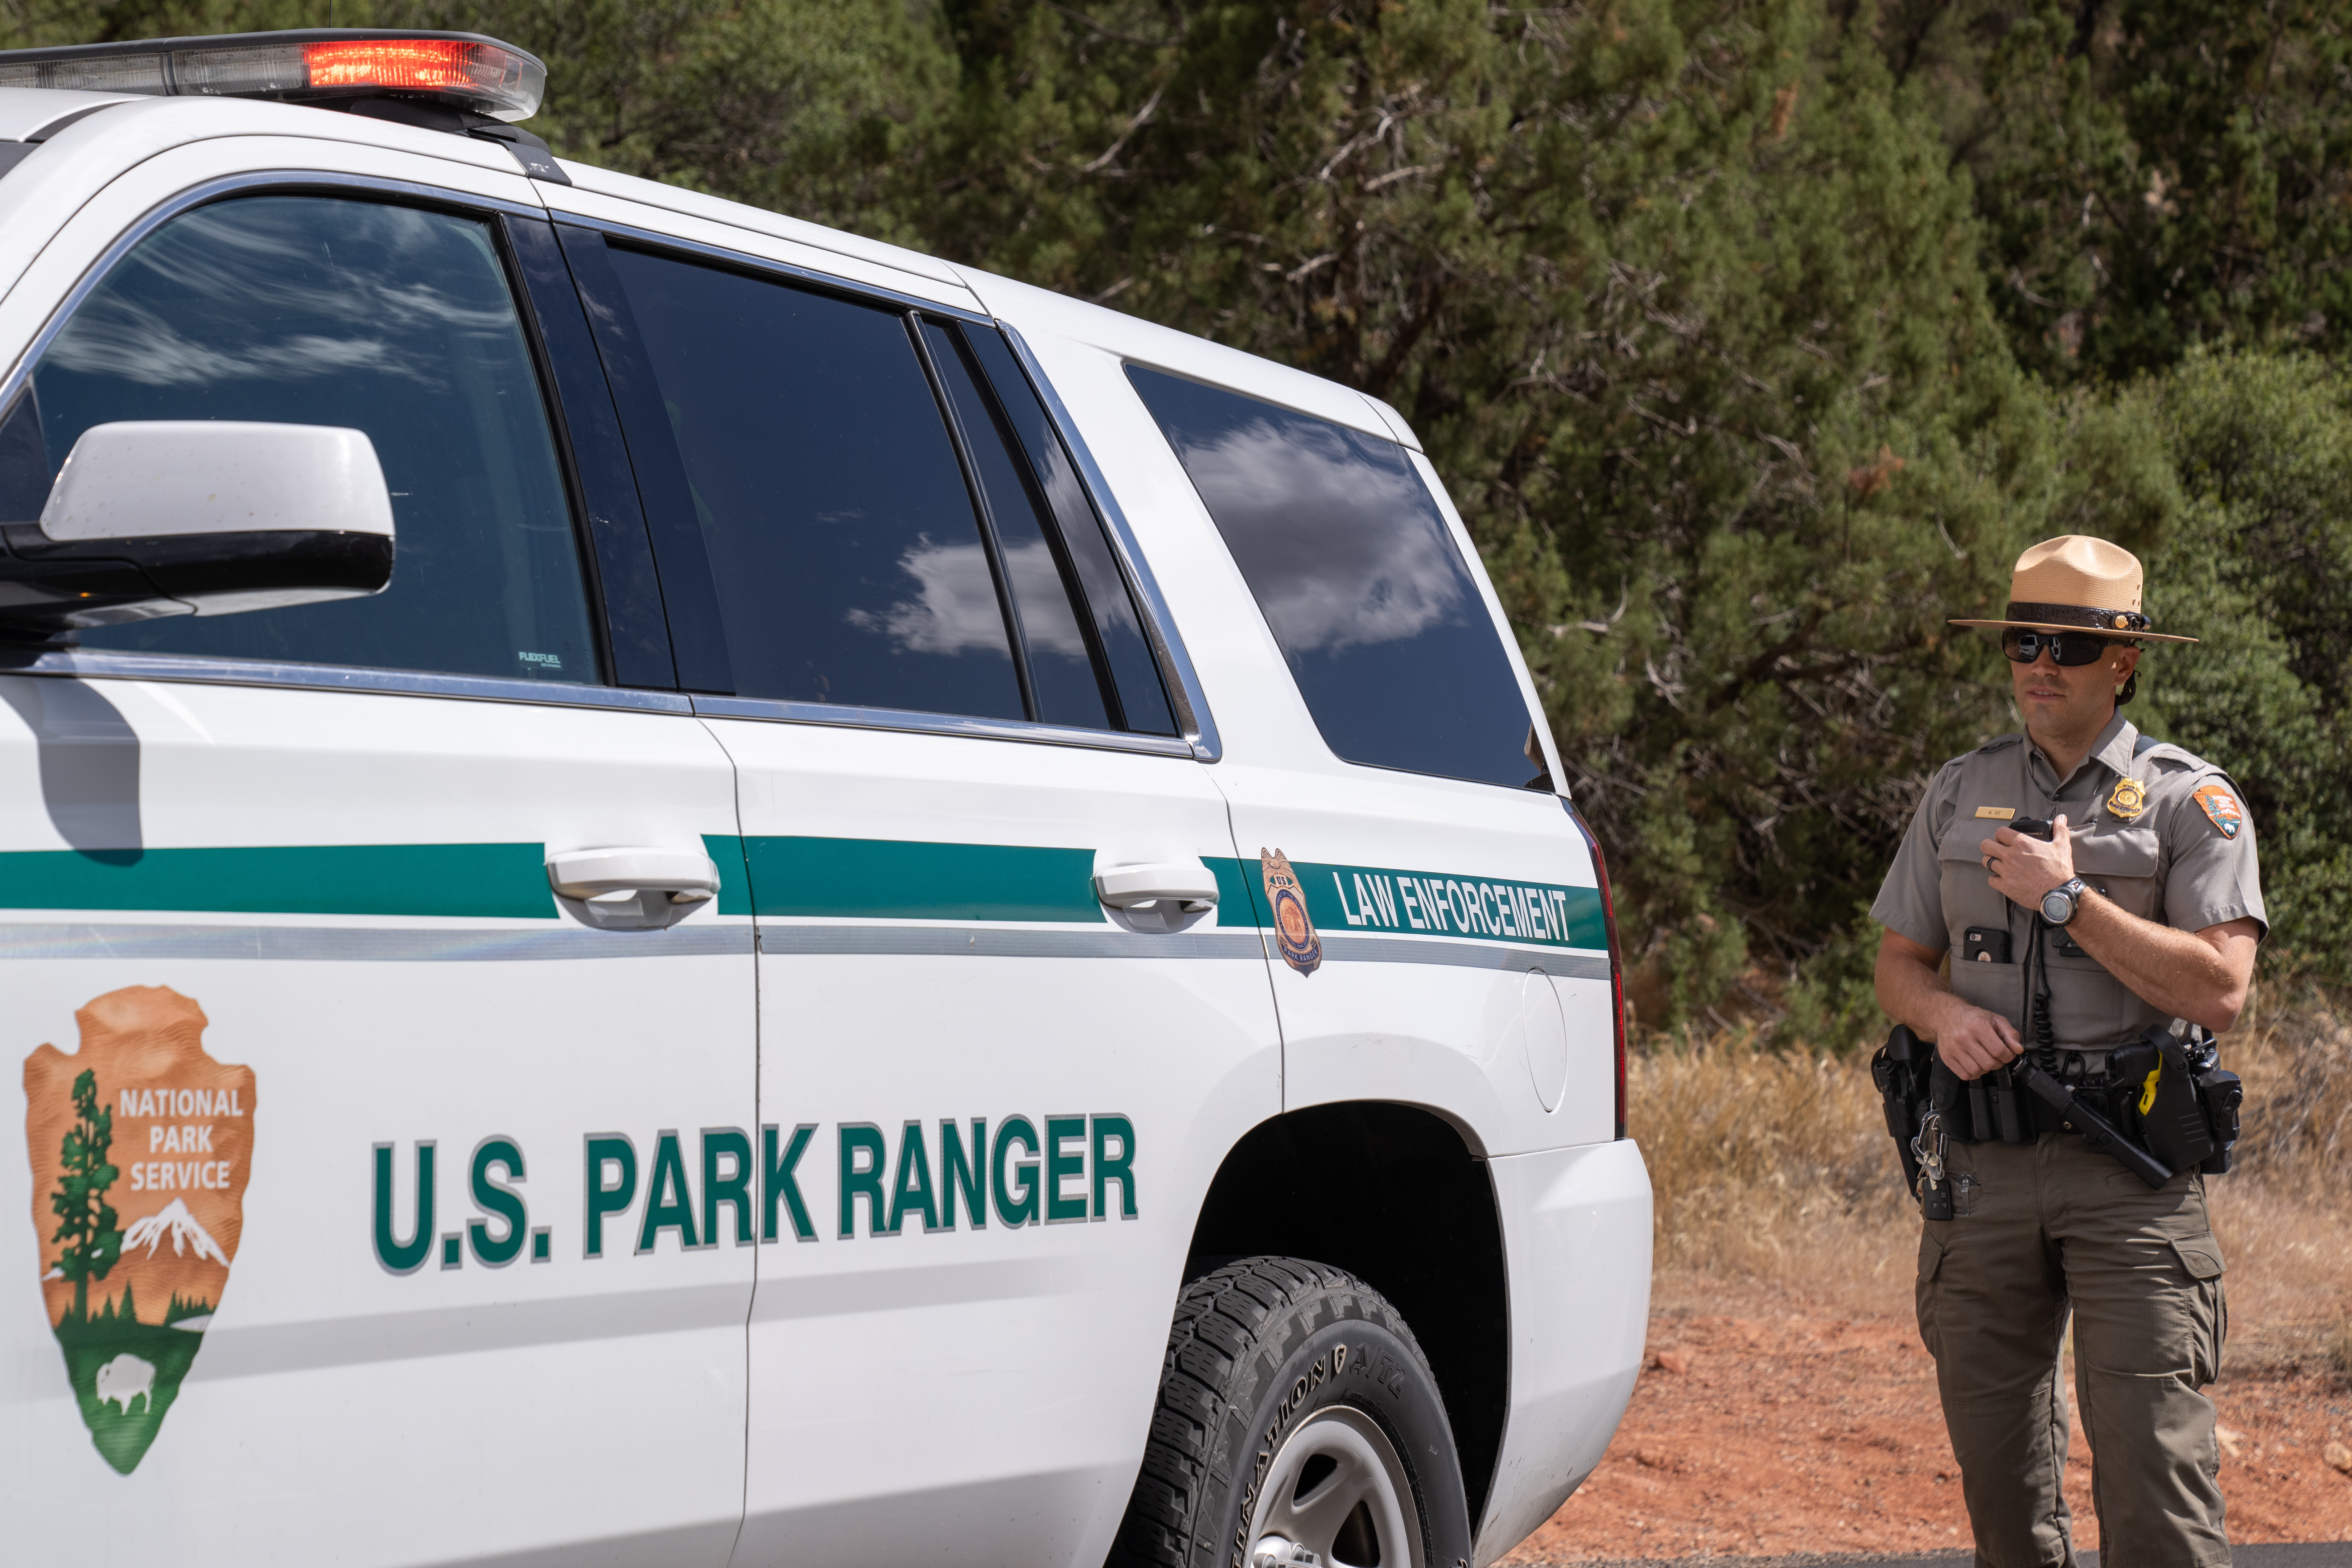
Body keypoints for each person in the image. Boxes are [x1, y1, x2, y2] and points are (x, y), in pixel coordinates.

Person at [1869, 535, 2264, 1568]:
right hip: (1982, 1173)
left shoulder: (2188, 801)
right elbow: (1899, 964)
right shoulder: (1959, 791)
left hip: (2129, 1178)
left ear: (2124, 661)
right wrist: (1940, 1016)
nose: (2041, 662)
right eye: (2023, 639)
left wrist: (2069, 899)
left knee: (2156, 1488)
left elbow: (2221, 988)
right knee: (2002, 1495)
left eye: (2073, 645)